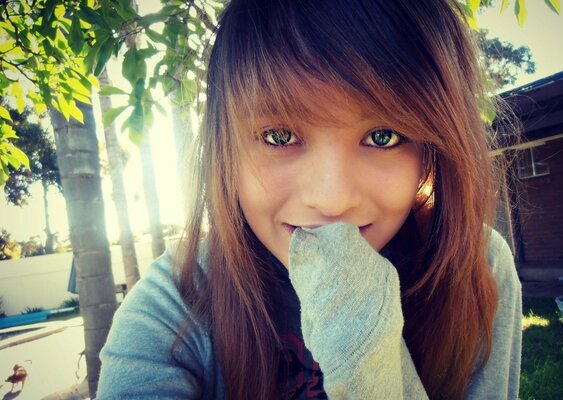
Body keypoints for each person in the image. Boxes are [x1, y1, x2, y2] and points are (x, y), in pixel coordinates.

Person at [97, 0, 522, 399]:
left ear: (433, 147)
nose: (332, 200)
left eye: (382, 136)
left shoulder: (476, 268)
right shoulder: (175, 302)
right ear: (225, 150)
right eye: (278, 136)